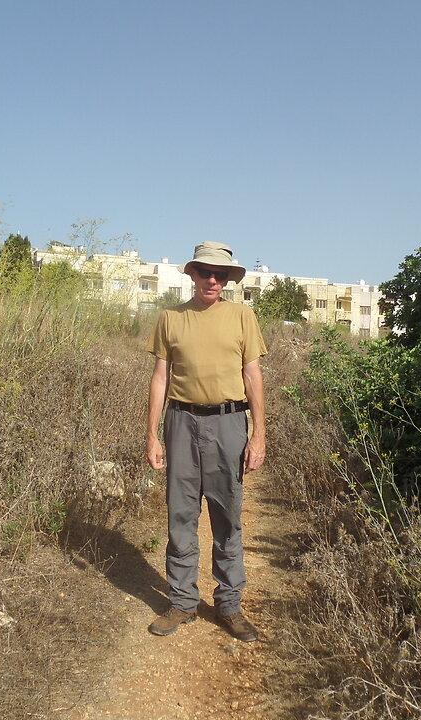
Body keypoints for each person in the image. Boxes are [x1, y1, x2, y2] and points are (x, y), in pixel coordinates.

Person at [145, 241, 267, 642]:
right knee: (180, 514)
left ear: (227, 280)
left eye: (219, 275)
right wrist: (152, 434)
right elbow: (161, 378)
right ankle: (182, 602)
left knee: (226, 514)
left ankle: (229, 605)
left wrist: (258, 434)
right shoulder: (170, 319)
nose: (212, 280)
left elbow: (252, 377)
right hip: (180, 422)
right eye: (205, 273)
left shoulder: (242, 316)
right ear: (193, 275)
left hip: (229, 423)